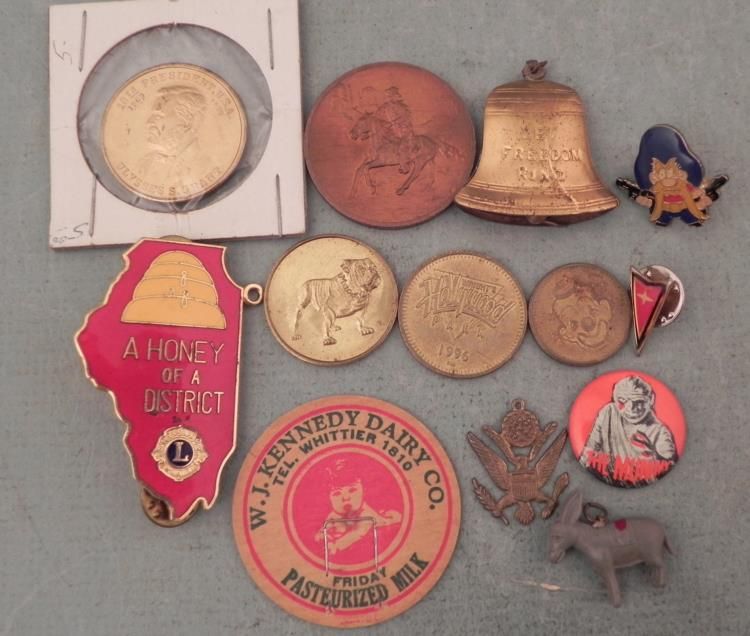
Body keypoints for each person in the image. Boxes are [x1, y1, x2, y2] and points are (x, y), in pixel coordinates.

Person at [580, 376, 676, 486]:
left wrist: (652, 459)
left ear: (651, 400)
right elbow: (589, 451)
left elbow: (670, 469)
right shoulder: (609, 412)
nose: (630, 408)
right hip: (603, 481)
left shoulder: (659, 432)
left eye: (638, 402)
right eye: (622, 401)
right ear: (615, 400)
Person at [314, 459, 401, 555]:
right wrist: (321, 535)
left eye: (352, 490)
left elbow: (356, 534)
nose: (346, 498)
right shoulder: (333, 515)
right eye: (337, 493)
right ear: (328, 498)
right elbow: (324, 529)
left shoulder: (366, 514)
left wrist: (336, 546)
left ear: (364, 491)